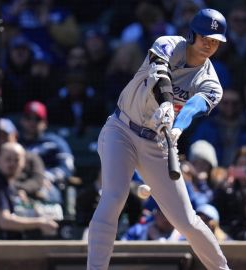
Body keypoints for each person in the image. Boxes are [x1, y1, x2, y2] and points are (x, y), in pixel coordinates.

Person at [87, 8, 231, 270]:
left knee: (186, 220)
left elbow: (196, 105)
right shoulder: (168, 44)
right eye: (205, 37)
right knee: (114, 197)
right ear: (192, 35)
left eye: (215, 40)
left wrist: (178, 128)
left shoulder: (211, 82)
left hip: (158, 141)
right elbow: (159, 75)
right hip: (122, 129)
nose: (209, 44)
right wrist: (166, 103)